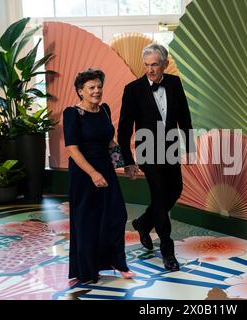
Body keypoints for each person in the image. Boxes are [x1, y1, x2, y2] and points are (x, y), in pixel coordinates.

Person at [118, 44, 194, 272]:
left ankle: (143, 223)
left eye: (154, 65)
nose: (150, 70)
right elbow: (123, 128)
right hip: (147, 151)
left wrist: (189, 147)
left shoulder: (174, 83)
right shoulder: (132, 89)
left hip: (170, 149)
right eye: (147, 65)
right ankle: (168, 251)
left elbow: (184, 116)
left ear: (165, 64)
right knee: (160, 196)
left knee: (176, 190)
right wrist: (128, 160)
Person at [63, 68, 135, 284]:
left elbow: (110, 142)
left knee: (116, 215)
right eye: (91, 87)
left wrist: (126, 164)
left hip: (106, 171)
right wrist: (93, 173)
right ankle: (86, 270)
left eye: (99, 87)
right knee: (87, 221)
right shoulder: (72, 114)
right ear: (80, 91)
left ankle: (116, 262)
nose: (97, 91)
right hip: (84, 174)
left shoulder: (104, 110)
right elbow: (73, 149)